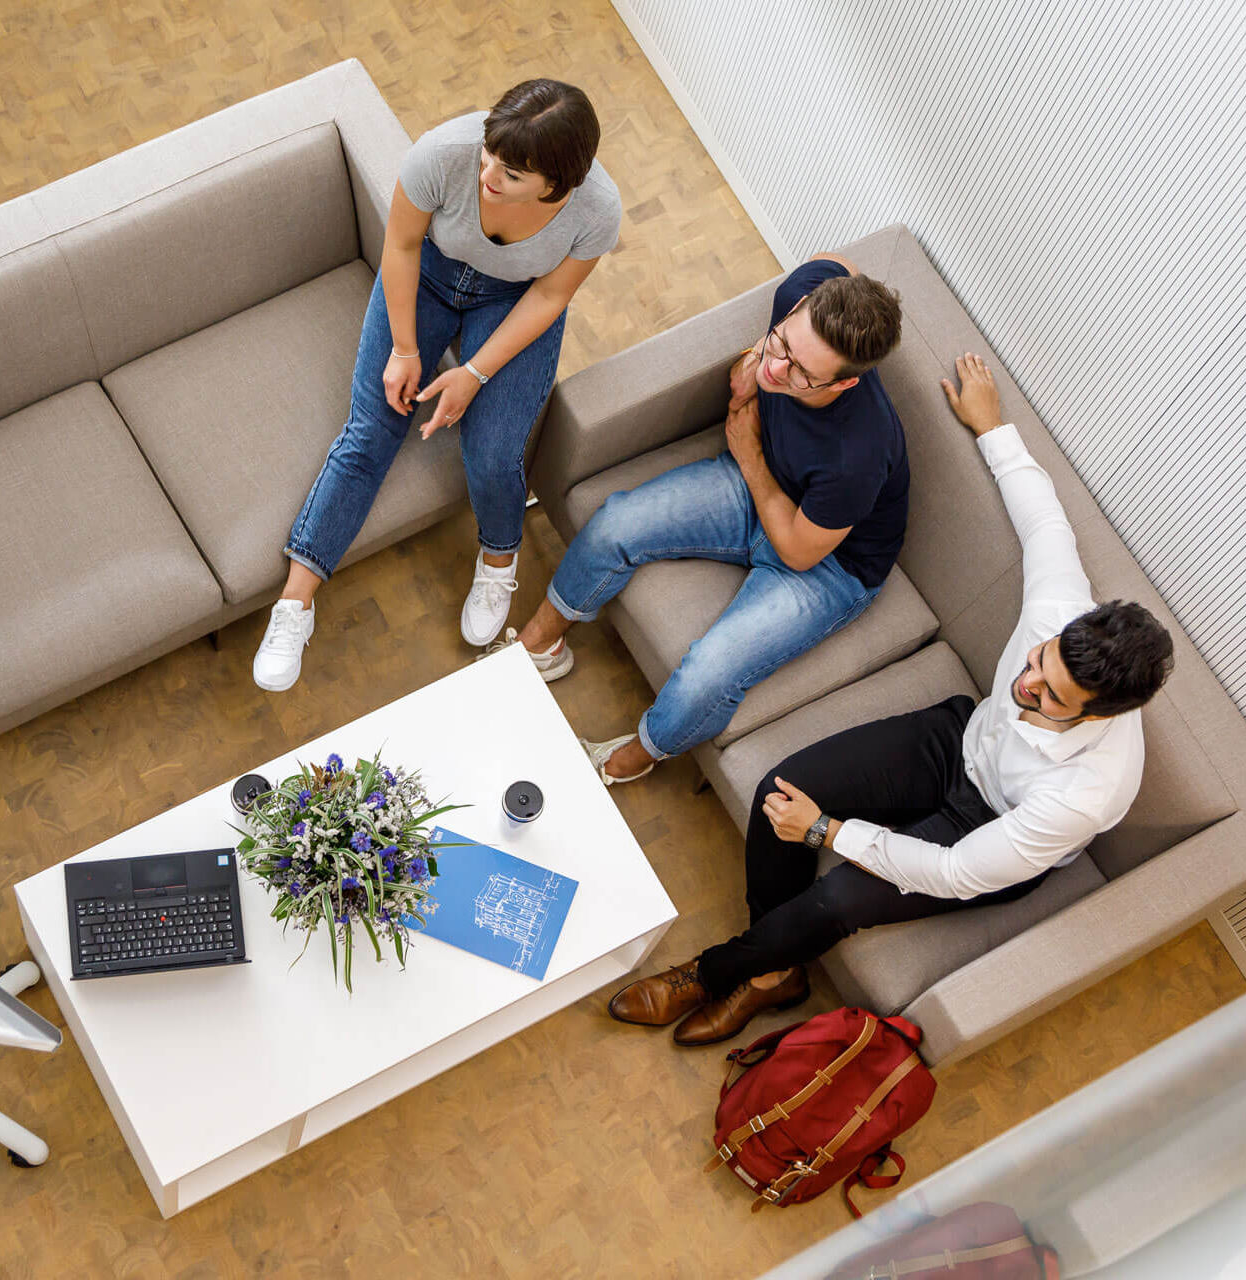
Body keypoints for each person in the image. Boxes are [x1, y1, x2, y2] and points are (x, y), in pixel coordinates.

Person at [606, 355, 1174, 1046]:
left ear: (1102, 714)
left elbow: (954, 872)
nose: (1026, 684)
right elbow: (1045, 524)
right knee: (778, 789)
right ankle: (774, 973)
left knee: (838, 897)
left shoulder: (1086, 792)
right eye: (1036, 662)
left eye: (1050, 695)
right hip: (958, 744)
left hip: (991, 831)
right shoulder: (1059, 611)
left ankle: (717, 972)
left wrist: (828, 833)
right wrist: (992, 426)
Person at [253, 78, 622, 692]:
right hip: (427, 274)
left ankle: (499, 558)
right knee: (371, 430)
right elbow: (399, 244)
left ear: (557, 183)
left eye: (509, 172)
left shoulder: (596, 210)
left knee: (493, 449)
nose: (487, 173)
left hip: (515, 299)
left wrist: (473, 375)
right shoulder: (442, 154)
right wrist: (404, 350)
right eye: (488, 154)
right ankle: (295, 605)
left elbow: (553, 294)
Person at [492, 255, 908, 786]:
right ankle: (538, 647)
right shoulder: (805, 292)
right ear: (801, 305)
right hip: (763, 485)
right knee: (617, 523)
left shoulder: (860, 454)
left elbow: (800, 551)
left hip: (826, 564)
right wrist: (758, 355)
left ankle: (630, 759)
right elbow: (841, 264)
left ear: (844, 385)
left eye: (801, 374)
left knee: (710, 671)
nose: (776, 371)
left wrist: (749, 451)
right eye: (782, 344)